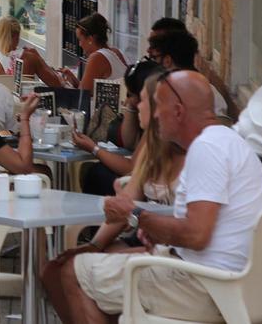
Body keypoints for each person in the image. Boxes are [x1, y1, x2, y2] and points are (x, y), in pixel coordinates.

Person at [52, 70, 262, 323]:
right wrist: (157, 229)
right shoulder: (228, 140)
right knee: (101, 268)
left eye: (160, 107)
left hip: (204, 287)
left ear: (178, 111)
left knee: (72, 273)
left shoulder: (206, 148)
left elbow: (196, 235)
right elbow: (203, 228)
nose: (155, 114)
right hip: (232, 282)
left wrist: (133, 215)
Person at [43, 68, 182, 300]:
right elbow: (129, 196)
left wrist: (95, 149)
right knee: (55, 270)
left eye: (141, 100)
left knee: (64, 273)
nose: (135, 105)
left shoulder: (191, 154)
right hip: (147, 242)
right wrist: (94, 245)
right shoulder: (152, 146)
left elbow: (185, 233)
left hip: (168, 255)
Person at [75, 60, 166, 196]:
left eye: (131, 95)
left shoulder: (159, 128)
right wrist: (130, 107)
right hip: (147, 184)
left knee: (98, 173)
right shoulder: (154, 124)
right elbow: (128, 142)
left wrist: (94, 148)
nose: (128, 101)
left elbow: (131, 168)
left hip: (150, 190)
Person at [146, 22, 230, 117]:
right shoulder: (211, 94)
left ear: (167, 60)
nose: (153, 63)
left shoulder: (208, 97)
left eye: (155, 58)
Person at [59, 13, 127, 93]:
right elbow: (87, 90)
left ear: (90, 39)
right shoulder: (115, 51)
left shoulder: (97, 57)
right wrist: (72, 78)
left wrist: (63, 84)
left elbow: (82, 97)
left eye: (80, 40)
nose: (80, 44)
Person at [0, 15, 63, 86]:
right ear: (17, 35)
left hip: (0, 97)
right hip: (26, 97)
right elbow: (57, 83)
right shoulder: (31, 57)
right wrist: (39, 58)